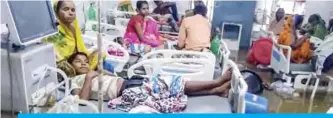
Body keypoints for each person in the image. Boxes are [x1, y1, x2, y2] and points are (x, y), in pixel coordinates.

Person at [68, 52, 232, 101]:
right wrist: (89, 78)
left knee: (171, 89)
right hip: (125, 91)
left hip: (128, 82)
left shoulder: (94, 72)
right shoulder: (75, 81)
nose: (83, 63)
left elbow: (115, 76)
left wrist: (102, 72)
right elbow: (81, 100)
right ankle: (217, 82)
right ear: (71, 67)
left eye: (85, 61)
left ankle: (215, 91)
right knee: (171, 84)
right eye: (78, 62)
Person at [43, 0, 102, 78]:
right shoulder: (51, 32)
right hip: (64, 65)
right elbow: (54, 56)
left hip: (76, 60)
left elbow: (80, 49)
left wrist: (81, 60)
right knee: (68, 70)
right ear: (56, 12)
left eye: (73, 10)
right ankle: (86, 73)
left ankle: (86, 72)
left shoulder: (74, 27)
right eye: (66, 9)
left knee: (100, 53)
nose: (70, 13)